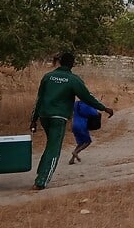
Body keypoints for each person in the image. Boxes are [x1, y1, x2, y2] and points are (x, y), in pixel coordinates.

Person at [28, 52, 113, 190]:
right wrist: (104, 108)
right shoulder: (73, 79)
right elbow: (87, 97)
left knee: (50, 145)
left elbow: (39, 99)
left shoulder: (48, 77)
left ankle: (41, 172)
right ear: (72, 64)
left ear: (60, 62)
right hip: (59, 117)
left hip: (44, 116)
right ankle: (41, 181)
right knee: (54, 149)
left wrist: (33, 119)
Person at [69, 100, 100, 164]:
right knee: (88, 142)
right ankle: (75, 152)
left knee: (80, 143)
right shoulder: (85, 105)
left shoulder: (76, 103)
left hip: (74, 124)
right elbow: (94, 113)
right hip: (82, 125)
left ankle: (72, 159)